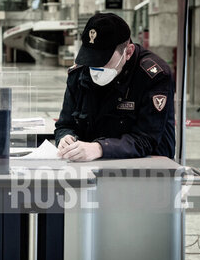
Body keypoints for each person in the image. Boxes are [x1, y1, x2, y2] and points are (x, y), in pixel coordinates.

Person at [55, 13, 175, 161]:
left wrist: (100, 148)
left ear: (128, 52)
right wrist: (65, 137)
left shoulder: (153, 76)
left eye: (103, 60)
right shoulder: (79, 72)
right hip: (90, 167)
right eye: (90, 58)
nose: (95, 66)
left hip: (144, 168)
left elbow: (146, 139)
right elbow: (64, 124)